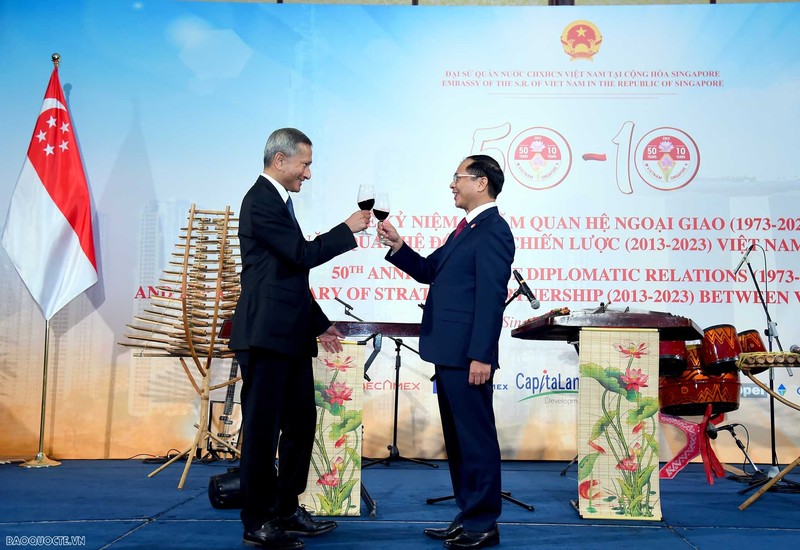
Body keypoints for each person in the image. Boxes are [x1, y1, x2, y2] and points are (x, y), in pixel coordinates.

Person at [230, 128, 370, 550]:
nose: (308, 173)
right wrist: (346, 230)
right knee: (262, 430)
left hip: (287, 335)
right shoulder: (260, 200)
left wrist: (319, 322)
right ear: (280, 160)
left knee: (301, 423)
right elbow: (301, 255)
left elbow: (288, 277)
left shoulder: (279, 202)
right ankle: (257, 519)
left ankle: (286, 508)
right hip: (265, 336)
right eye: (304, 164)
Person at [378, 154, 514, 550]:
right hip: (450, 353)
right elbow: (430, 271)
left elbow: (491, 299)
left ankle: (484, 523)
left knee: (476, 440)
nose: (452, 185)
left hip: (468, 356)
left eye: (458, 178)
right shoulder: (465, 230)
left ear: (482, 183)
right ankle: (468, 515)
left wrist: (482, 356)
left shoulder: (493, 230)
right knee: (458, 441)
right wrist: (399, 246)